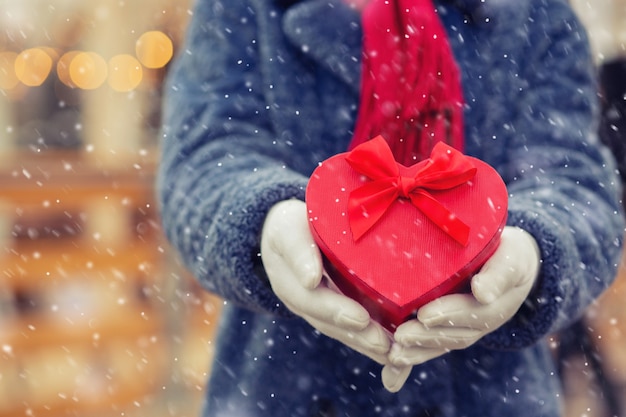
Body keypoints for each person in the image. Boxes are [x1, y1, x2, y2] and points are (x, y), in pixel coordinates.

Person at [156, 0, 625, 416]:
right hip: (279, 387)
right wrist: (266, 221)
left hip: (491, 394)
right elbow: (206, 155)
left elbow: (575, 182)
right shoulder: (246, 9)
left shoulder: (534, 13)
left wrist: (532, 251)